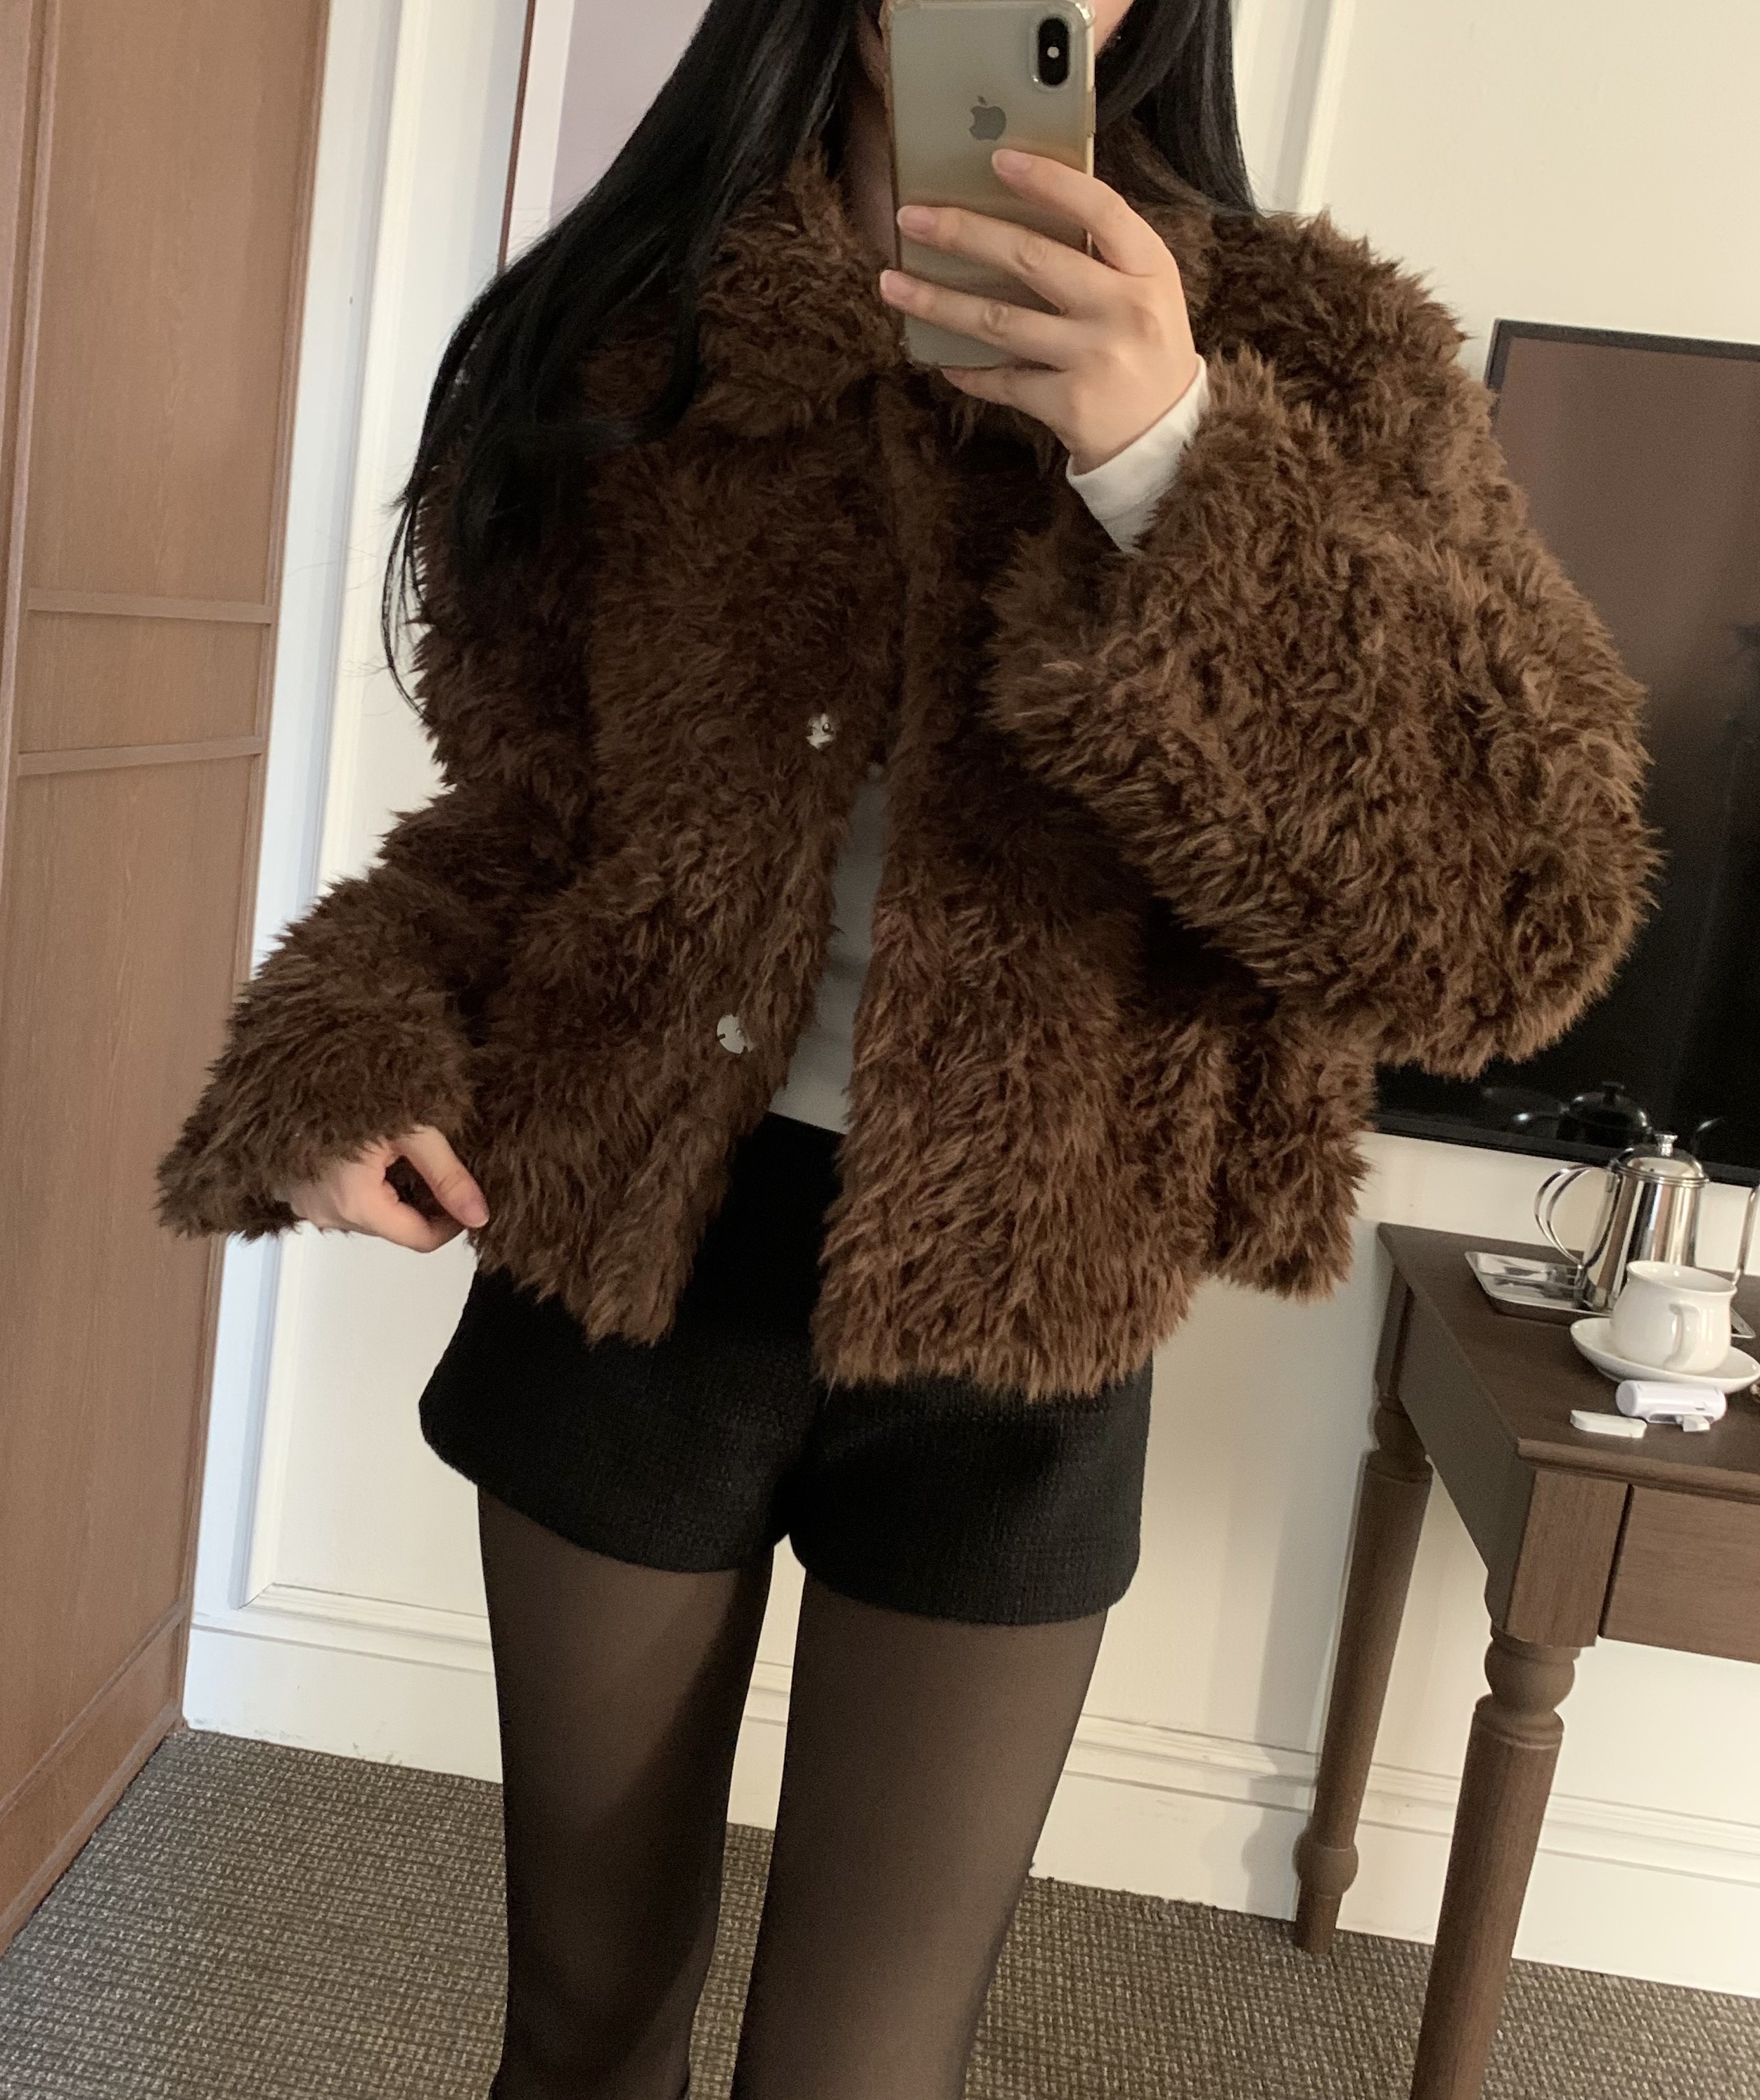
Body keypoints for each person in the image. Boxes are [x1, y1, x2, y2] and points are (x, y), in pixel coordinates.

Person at [155, 1, 1659, 2094]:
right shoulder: (635, 341)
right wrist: (345, 1052)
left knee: (864, 2072)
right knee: (582, 2020)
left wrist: (1174, 464)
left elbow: (1511, 918)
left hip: (1025, 1312)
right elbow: (523, 823)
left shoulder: (1316, 363)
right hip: (630, 1265)